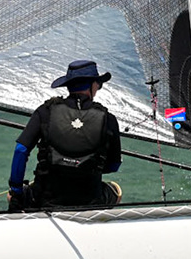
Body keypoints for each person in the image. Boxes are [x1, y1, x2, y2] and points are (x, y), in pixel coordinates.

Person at [8, 59, 123, 212]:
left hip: (45, 199)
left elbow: (21, 150)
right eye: (98, 84)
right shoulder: (108, 119)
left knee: (12, 196)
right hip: (90, 200)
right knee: (116, 191)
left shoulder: (45, 111)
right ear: (92, 85)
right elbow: (114, 165)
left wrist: (16, 190)